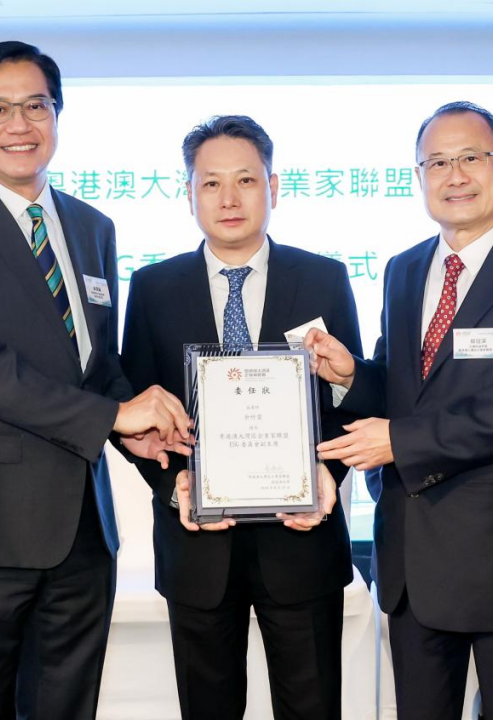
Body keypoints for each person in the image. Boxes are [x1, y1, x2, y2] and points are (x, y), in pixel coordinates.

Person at [0, 41, 190, 719]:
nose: (20, 125)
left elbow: (96, 366)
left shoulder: (92, 228)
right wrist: (112, 418)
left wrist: (133, 427)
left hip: (82, 531)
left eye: (36, 106)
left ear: (57, 115)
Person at [305, 100, 493, 719]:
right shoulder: (404, 269)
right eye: (436, 162)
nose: (454, 176)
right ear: (419, 176)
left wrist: (399, 442)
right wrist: (353, 374)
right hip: (414, 561)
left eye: (470, 158)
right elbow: (402, 387)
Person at [120, 115, 361, 720]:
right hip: (196, 545)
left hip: (302, 541)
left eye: (246, 180)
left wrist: (328, 474)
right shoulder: (152, 287)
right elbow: (136, 411)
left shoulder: (324, 278)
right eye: (211, 183)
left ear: (272, 188)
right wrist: (172, 482)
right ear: (190, 194)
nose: (229, 198)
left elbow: (350, 396)